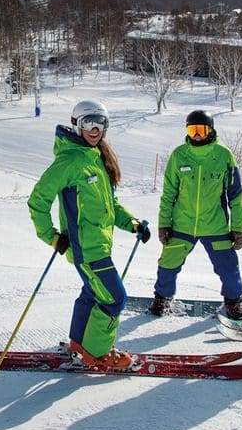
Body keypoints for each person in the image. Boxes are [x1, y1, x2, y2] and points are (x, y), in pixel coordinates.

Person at [28, 100, 151, 369]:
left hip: (98, 246)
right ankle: (97, 353)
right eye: (88, 123)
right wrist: (51, 236)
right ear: (76, 124)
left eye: (100, 124)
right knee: (114, 298)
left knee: (92, 292)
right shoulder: (70, 161)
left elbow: (110, 206)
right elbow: (38, 200)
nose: (95, 130)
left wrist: (132, 224)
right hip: (86, 249)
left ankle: (80, 343)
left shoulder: (95, 159)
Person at [150, 110, 242, 318]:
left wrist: (238, 228)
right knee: (168, 265)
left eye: (200, 130)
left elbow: (235, 196)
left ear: (210, 130)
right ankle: (162, 299)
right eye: (192, 130)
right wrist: (164, 224)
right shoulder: (179, 155)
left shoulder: (223, 156)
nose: (196, 135)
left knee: (228, 268)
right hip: (182, 224)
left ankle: (233, 302)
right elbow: (168, 194)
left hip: (215, 225)